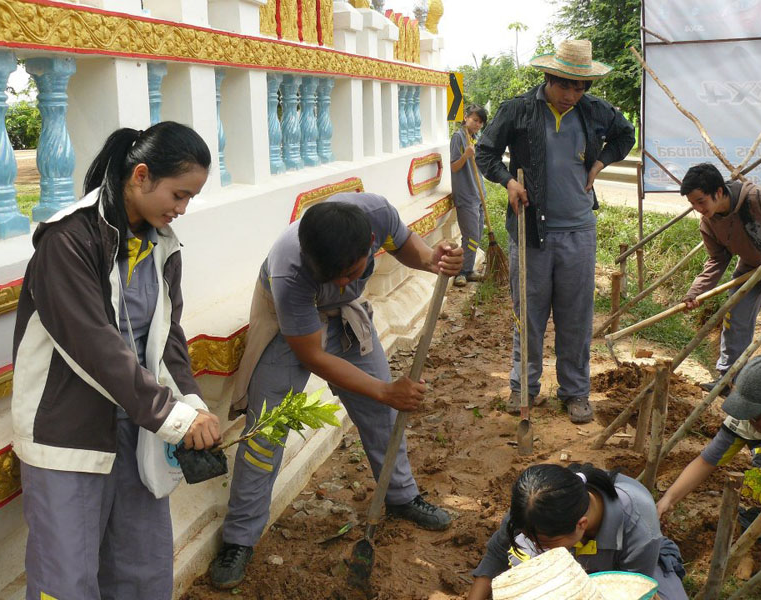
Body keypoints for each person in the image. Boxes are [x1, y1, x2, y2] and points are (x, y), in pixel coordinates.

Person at [209, 193, 463, 589]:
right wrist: (383, 388)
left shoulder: (376, 215)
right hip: (286, 329)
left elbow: (410, 248)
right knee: (266, 432)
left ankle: (399, 496)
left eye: (351, 273)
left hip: (345, 318)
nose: (344, 282)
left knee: (382, 415)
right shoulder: (290, 270)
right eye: (334, 277)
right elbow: (313, 356)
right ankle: (239, 539)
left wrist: (434, 259)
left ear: (369, 244)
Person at [12, 122, 221, 600]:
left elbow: (168, 337)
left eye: (190, 199)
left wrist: (191, 401)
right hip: (70, 435)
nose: (182, 209)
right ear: (141, 176)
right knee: (66, 581)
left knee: (142, 572)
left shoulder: (162, 244)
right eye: (179, 194)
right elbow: (94, 346)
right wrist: (173, 415)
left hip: (140, 428)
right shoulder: (67, 240)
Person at [475, 39, 635, 424]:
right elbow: (485, 152)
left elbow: (625, 135)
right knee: (527, 316)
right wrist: (508, 182)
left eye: (579, 87)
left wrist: (600, 163)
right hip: (530, 230)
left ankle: (576, 392)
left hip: (579, 231)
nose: (571, 94)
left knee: (576, 317)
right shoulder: (519, 109)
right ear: (549, 78)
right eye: (565, 85)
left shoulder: (594, 111)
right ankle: (523, 388)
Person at [467, 463, 688, 600]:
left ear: (581, 525)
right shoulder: (533, 507)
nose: (537, 549)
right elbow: (496, 557)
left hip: (631, 570)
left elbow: (632, 589)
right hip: (573, 564)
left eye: (545, 544)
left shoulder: (639, 528)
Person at [680, 163, 761, 395]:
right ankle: (729, 380)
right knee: (734, 316)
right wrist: (695, 293)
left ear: (718, 191)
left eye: (700, 201)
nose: (697, 208)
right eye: (692, 204)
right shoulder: (709, 223)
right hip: (751, 268)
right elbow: (717, 260)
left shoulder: (760, 198)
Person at [657, 355, 761, 525]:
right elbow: (707, 461)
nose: (750, 421)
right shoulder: (745, 420)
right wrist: (668, 499)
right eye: (746, 413)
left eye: (756, 415)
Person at [450, 104, 489, 287]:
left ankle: (469, 268)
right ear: (466, 118)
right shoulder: (458, 137)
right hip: (465, 194)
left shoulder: (476, 137)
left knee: (477, 234)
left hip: (478, 193)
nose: (477, 124)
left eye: (480, 122)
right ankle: (461, 272)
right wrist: (465, 155)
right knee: (471, 235)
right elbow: (454, 167)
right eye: (475, 120)